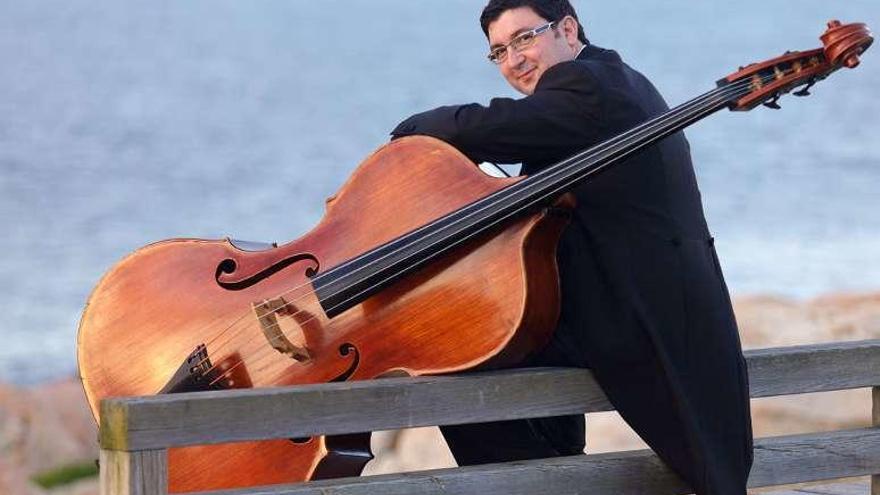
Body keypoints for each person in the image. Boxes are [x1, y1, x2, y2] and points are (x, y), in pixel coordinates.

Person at [390, 1, 754, 494]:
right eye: (498, 51)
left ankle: (542, 481)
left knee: (452, 356)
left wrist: (416, 129)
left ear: (567, 28)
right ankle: (551, 472)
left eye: (524, 38)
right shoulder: (619, 83)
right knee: (503, 340)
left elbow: (492, 128)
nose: (513, 60)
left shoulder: (588, 84)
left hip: (630, 313)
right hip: (643, 309)